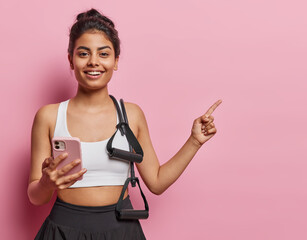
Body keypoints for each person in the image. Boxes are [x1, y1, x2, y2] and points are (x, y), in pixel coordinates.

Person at [28, 8, 221, 239]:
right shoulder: (48, 116)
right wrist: (47, 183)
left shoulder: (131, 115)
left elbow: (157, 182)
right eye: (83, 54)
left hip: (122, 230)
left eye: (103, 54)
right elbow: (35, 196)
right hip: (63, 229)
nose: (93, 62)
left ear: (116, 60)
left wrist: (194, 142)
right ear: (71, 59)